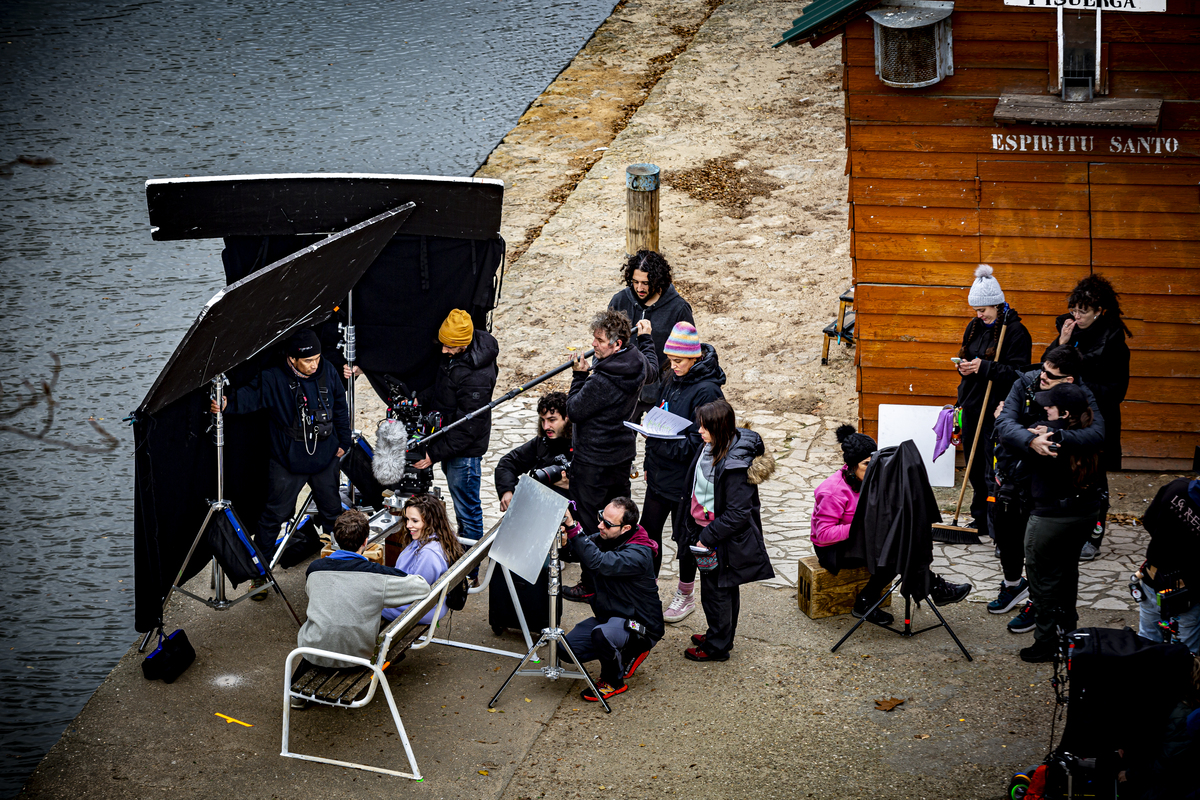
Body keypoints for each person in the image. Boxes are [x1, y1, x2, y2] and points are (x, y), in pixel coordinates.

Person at [214, 328, 351, 598]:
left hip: (325, 457)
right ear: (291, 359)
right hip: (287, 461)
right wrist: (227, 404)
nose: (314, 365)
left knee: (334, 513)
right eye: (308, 361)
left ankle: (345, 564)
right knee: (272, 518)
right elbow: (249, 398)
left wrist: (343, 442)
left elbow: (339, 405)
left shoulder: (328, 370)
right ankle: (260, 576)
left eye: (317, 358)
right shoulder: (272, 378)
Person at [994, 347, 1106, 637]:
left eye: (1050, 374)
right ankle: (1014, 587)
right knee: (1007, 538)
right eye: (1042, 369)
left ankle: (1040, 609)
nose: (1041, 376)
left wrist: (1054, 437)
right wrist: (1031, 440)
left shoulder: (1081, 393)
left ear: (1068, 380)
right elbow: (1004, 424)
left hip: (1051, 491)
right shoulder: (1026, 382)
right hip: (1014, 477)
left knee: (1045, 561)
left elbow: (1096, 434)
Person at [811, 425, 973, 625]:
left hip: (860, 537)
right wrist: (865, 526)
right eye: (866, 465)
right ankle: (930, 589)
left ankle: (875, 599)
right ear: (851, 465)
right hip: (833, 550)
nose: (872, 469)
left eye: (875, 464)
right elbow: (823, 534)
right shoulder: (832, 491)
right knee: (892, 551)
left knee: (898, 541)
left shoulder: (870, 481)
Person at [562, 309, 658, 602]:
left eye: (600, 340)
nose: (595, 344)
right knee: (616, 517)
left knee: (594, 523)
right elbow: (654, 366)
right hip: (620, 456)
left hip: (593, 460)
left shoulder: (602, 379)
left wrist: (579, 375)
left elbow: (574, 410)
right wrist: (647, 340)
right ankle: (616, 574)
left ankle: (591, 582)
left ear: (617, 344)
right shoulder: (637, 361)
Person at [674, 399, 775, 662]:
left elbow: (738, 514)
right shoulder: (712, 446)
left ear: (719, 428)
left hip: (719, 539)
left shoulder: (734, 467)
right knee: (723, 588)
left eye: (705, 427)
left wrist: (706, 538)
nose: (699, 431)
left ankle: (717, 646)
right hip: (707, 531)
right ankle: (719, 635)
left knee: (717, 592)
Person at [637, 321, 726, 618]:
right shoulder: (671, 379)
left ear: (695, 357)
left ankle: (685, 594)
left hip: (686, 481)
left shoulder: (708, 391)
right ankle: (646, 590)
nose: (672, 366)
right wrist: (650, 461)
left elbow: (696, 444)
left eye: (679, 361)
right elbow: (658, 421)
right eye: (670, 360)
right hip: (659, 476)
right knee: (647, 534)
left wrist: (656, 444)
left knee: (685, 540)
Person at [1043, 274, 1131, 559]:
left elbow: (1116, 390)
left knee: (1094, 479)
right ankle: (1067, 529)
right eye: (1074, 310)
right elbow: (1046, 369)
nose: (1077, 316)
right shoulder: (1068, 329)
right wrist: (1062, 341)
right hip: (1064, 417)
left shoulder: (1114, 341)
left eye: (1084, 311)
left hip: (1096, 419)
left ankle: (1093, 536)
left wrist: (1078, 387)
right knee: (1064, 474)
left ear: (1099, 311)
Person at [295, 510, 431, 671]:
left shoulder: (314, 570)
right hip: (357, 661)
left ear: (336, 539)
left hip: (312, 653)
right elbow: (422, 587)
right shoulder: (378, 575)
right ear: (366, 541)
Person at [560, 497, 665, 702]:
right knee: (565, 650)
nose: (600, 525)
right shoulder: (608, 537)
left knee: (603, 635)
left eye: (607, 524)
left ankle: (613, 681)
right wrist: (565, 543)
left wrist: (573, 527)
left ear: (626, 528)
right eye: (601, 517)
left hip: (641, 625)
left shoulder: (639, 554)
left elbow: (598, 562)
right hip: (610, 616)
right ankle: (622, 651)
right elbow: (579, 551)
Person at [954, 265, 1032, 530]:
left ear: (997, 305)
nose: (980, 314)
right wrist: (963, 367)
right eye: (976, 310)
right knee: (974, 464)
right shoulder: (974, 327)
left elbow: (1020, 373)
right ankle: (979, 516)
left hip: (996, 407)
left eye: (984, 309)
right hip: (973, 403)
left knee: (992, 465)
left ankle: (994, 518)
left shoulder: (1015, 331)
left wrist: (983, 367)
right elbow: (967, 358)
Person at [412, 309, 499, 546]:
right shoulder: (457, 355)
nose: (443, 351)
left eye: (449, 347)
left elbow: (467, 428)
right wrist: (419, 399)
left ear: (463, 344)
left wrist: (432, 455)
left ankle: (469, 571)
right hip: (451, 443)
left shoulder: (477, 377)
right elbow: (445, 389)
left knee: (467, 513)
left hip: (464, 452)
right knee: (464, 508)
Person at [608, 250, 694, 417]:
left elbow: (688, 354)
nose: (640, 288)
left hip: (662, 392)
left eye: (646, 283)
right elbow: (605, 342)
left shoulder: (678, 309)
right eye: (635, 282)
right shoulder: (619, 301)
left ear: (658, 281)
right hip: (624, 390)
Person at [1134, 475, 1200, 654]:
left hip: (1153, 577)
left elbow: (1148, 520)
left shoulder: (1176, 488)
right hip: (1189, 591)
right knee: (1186, 652)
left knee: (1147, 640)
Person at [381, 494, 465, 626]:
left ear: (430, 521)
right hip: (428, 604)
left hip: (420, 609)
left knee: (368, 601)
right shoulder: (440, 537)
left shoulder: (428, 554)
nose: (408, 525)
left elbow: (414, 591)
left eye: (415, 521)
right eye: (407, 519)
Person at [494, 391, 572, 508]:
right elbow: (507, 463)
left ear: (566, 418)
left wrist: (572, 486)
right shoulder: (542, 442)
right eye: (543, 420)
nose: (546, 427)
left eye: (552, 420)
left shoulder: (583, 445)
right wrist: (506, 490)